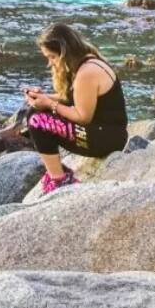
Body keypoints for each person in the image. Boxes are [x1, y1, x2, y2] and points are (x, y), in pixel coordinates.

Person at [23, 23, 129, 194]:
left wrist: (49, 104)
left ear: (64, 53)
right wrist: (45, 97)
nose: (49, 64)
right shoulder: (86, 60)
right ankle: (58, 173)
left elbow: (82, 116)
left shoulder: (87, 72)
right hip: (105, 133)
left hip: (107, 140)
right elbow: (72, 99)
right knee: (36, 112)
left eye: (52, 57)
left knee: (37, 119)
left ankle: (60, 180)